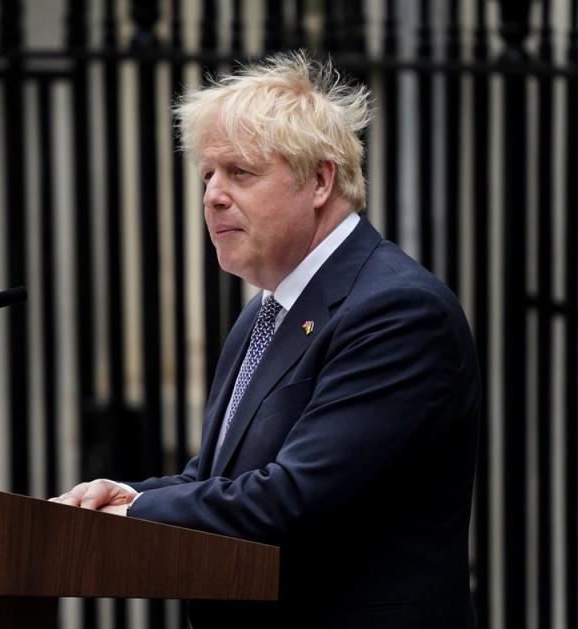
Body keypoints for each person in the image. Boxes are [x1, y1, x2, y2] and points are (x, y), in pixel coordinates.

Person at [52, 51, 480, 629]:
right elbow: (219, 482)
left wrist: (140, 509)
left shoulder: (396, 311)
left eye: (241, 173)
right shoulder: (269, 310)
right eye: (207, 175)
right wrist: (118, 491)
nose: (212, 196)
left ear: (320, 180)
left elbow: (297, 495)